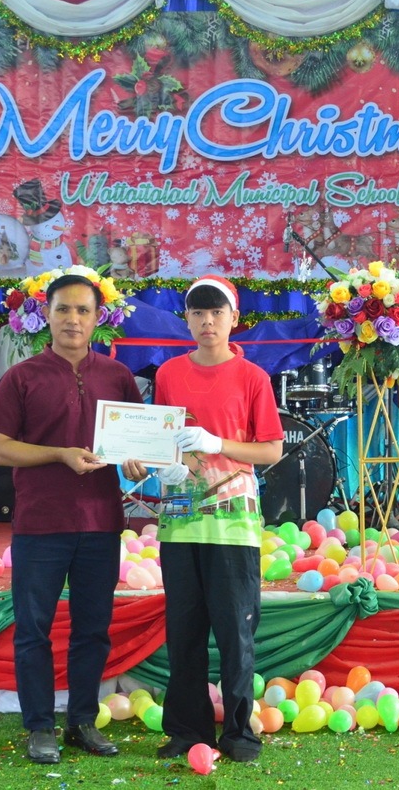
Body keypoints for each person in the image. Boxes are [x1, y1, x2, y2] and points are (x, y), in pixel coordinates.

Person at [0, 272, 145, 764]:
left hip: (100, 522)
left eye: (83, 310)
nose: (73, 319)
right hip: (41, 523)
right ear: (46, 315)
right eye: (64, 309)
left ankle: (82, 722)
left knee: (93, 629)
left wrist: (138, 461)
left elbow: (136, 441)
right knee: (34, 630)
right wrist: (59, 454)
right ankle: (39, 727)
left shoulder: (117, 376)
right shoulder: (22, 377)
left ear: (98, 318)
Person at [152, 275, 284, 763]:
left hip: (233, 522)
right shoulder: (169, 374)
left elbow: (271, 449)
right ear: (186, 319)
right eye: (197, 313)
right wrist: (163, 463)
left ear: (234, 318)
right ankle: (186, 730)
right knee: (183, 631)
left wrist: (218, 443)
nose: (207, 322)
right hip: (179, 516)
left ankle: (239, 733)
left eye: (216, 312)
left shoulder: (252, 378)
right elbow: (160, 438)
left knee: (235, 632)